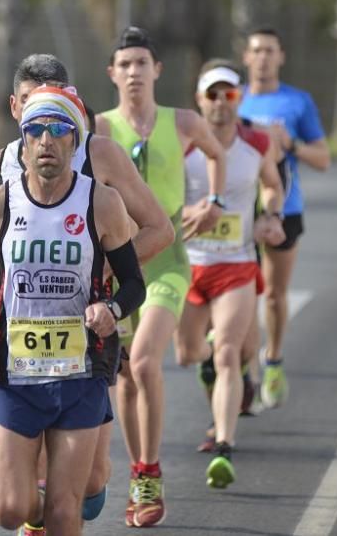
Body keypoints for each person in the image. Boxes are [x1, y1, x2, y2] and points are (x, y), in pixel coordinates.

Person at [0, 54, 174, 532]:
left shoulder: (101, 164)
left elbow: (158, 230)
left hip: (87, 335)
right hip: (19, 343)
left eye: (58, 118)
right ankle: (41, 510)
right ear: (16, 112)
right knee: (15, 507)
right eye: (33, 114)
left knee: (85, 487)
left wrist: (106, 284)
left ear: (77, 123)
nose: (45, 133)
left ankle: (68, 500)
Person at [96, 26, 228, 528]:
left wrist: (212, 203)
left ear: (157, 70)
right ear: (112, 73)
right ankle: (137, 473)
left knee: (147, 360)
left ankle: (150, 473)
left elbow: (217, 154)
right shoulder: (101, 129)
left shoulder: (185, 120)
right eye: (124, 64)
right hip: (119, 262)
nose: (133, 72)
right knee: (127, 374)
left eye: (141, 63)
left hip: (168, 259)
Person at [173, 62, 285, 490]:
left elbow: (272, 183)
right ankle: (218, 373)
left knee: (227, 353)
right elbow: (159, 198)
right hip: (188, 263)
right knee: (187, 354)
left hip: (236, 264)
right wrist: (191, 213)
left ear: (240, 98)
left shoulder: (256, 143)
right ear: (199, 100)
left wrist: (270, 214)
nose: (221, 103)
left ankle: (223, 446)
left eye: (230, 95)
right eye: (212, 95)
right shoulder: (182, 145)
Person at [238, 28, 331, 408]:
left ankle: (272, 360)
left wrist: (290, 144)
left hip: (284, 209)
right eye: (256, 50)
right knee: (240, 294)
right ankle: (241, 371)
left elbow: (323, 159)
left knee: (274, 294)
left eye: (269, 51)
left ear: (281, 57)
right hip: (239, 212)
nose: (262, 57)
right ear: (246, 57)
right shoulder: (232, 98)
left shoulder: (297, 102)